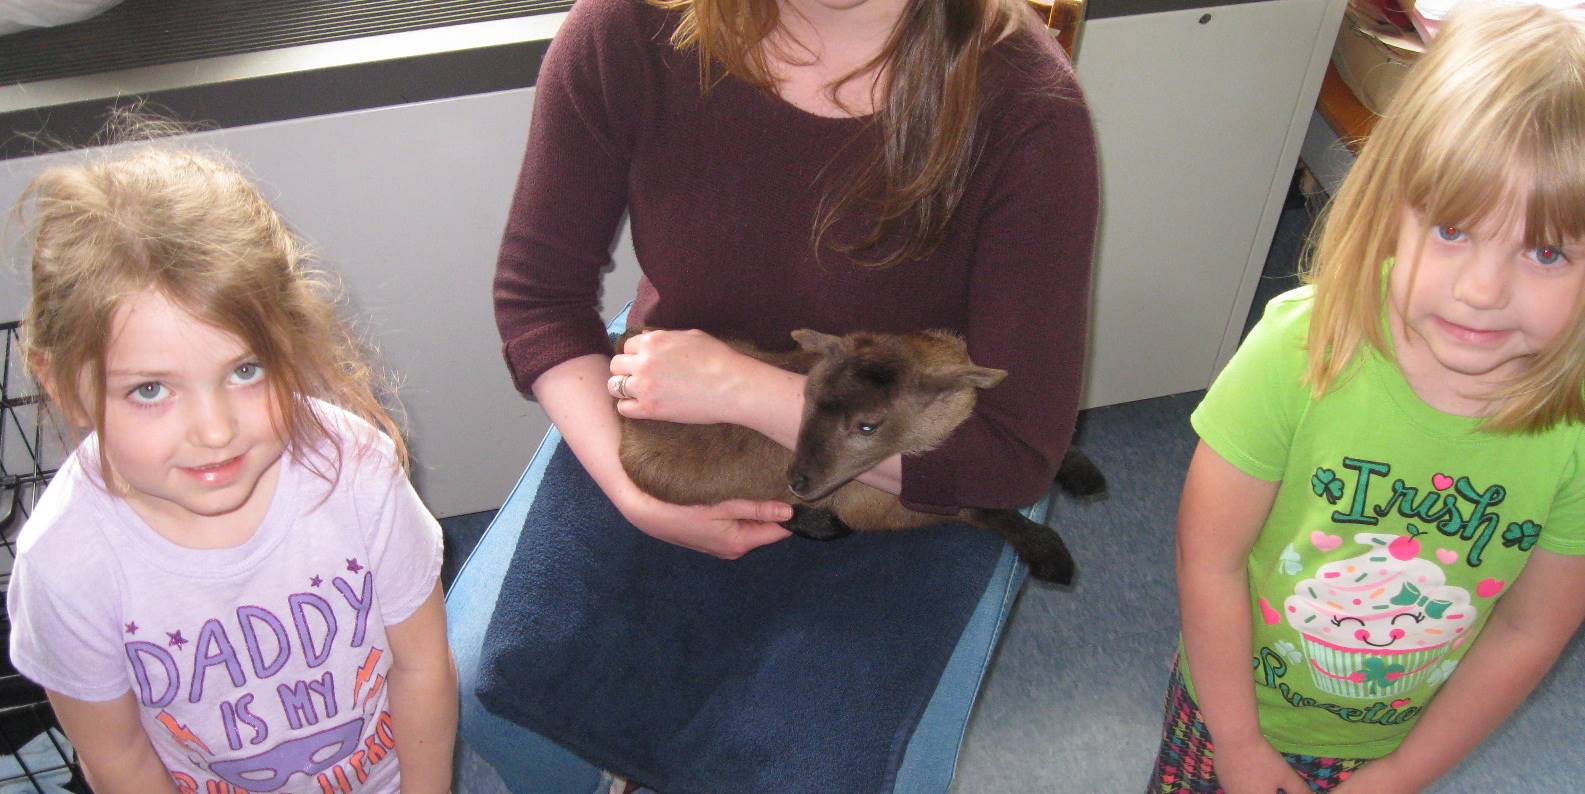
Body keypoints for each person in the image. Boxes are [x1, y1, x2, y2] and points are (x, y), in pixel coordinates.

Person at [478, 0, 1098, 787]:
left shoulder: (1027, 108)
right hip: (679, 429)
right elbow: (539, 302)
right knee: (495, 695)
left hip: (905, 467)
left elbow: (1012, 456)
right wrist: (632, 493)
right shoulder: (625, 28)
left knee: (801, 775)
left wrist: (745, 391)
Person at [1155, 5, 1585, 792]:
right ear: (1392, 207)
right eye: (1453, 230)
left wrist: (1400, 773)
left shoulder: (1576, 435)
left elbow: (1528, 632)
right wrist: (1240, 745)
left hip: (1400, 744)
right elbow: (1207, 558)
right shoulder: (1298, 349)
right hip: (1233, 710)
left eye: (1545, 250)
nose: (1482, 291)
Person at [6, 143, 457, 793]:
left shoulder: (356, 469)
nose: (215, 431)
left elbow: (421, 668)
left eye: (246, 371)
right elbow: (118, 759)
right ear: (65, 386)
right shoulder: (64, 566)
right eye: (151, 390)